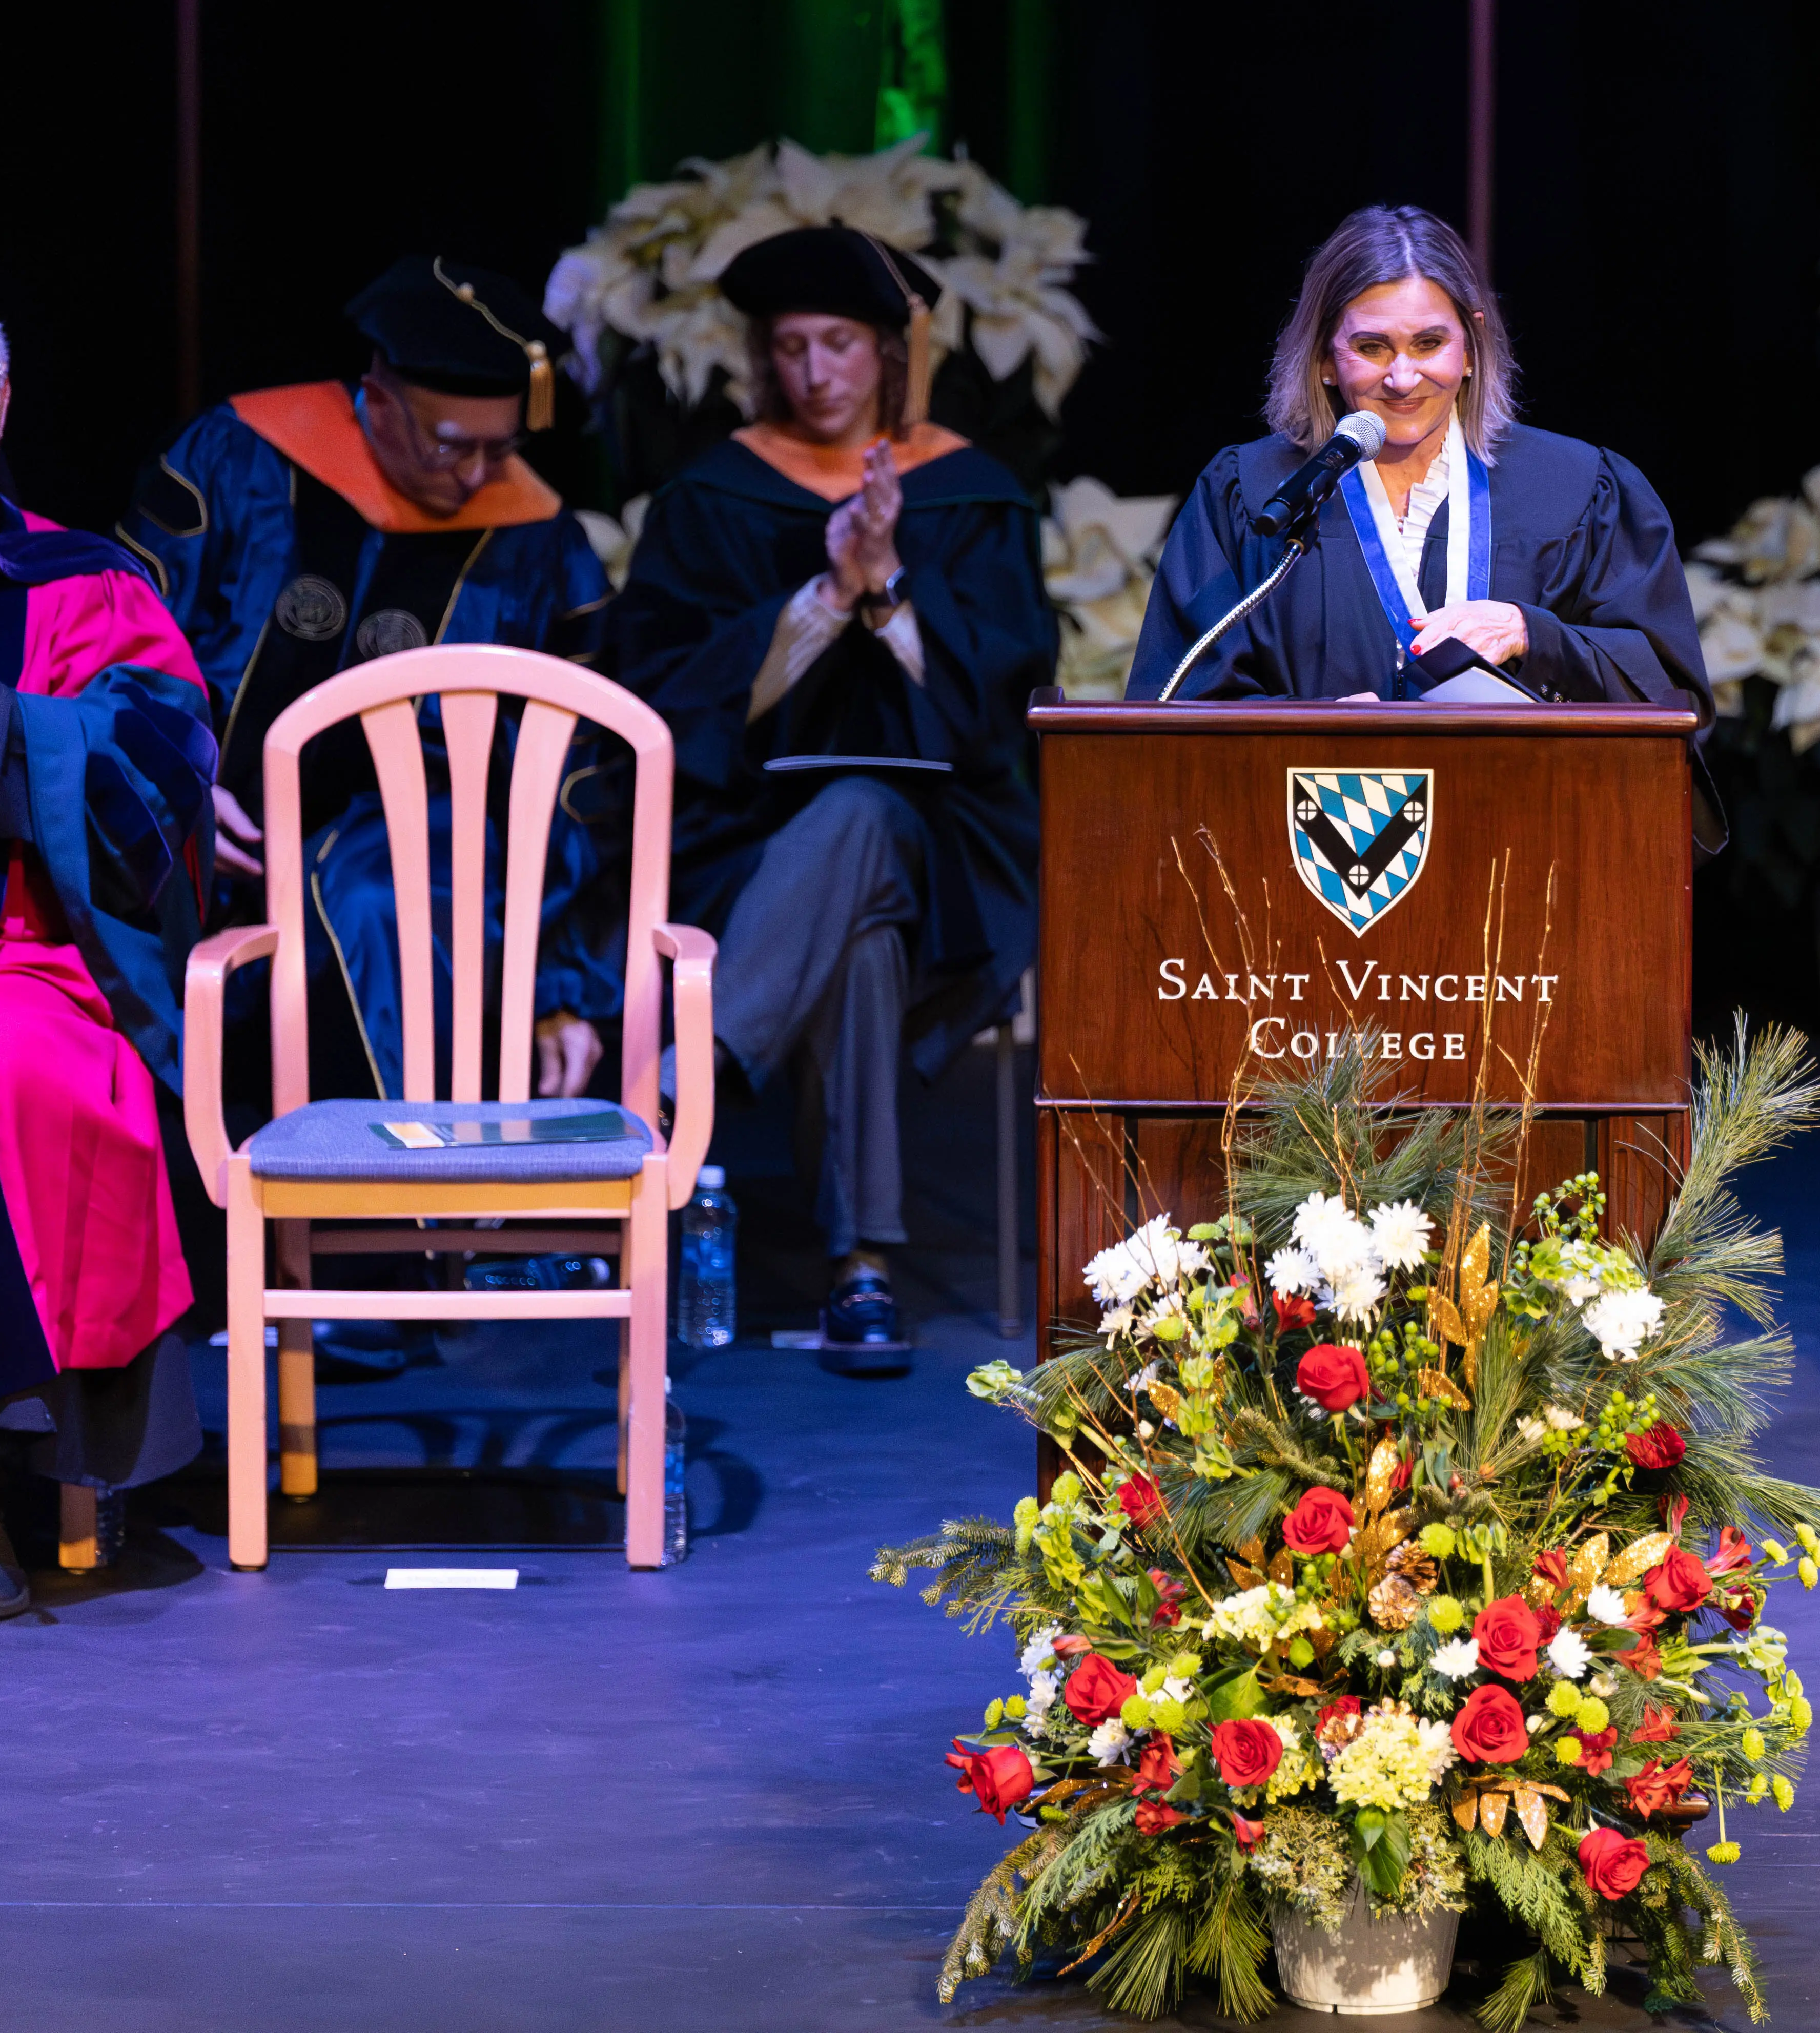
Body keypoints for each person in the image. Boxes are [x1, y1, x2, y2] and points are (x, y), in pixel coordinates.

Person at [120, 257, 616, 1372]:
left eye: (502, 446)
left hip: (436, 872)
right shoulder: (235, 460)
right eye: (453, 443)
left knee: (377, 896)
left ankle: (403, 1254)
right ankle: (189, 1285)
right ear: (375, 398)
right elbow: (123, 652)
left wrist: (560, 984)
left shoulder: (541, 537)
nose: (481, 470)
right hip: (201, 838)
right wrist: (183, 783)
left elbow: (587, 782)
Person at [607, 224, 1049, 1372]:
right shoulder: (713, 496)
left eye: (841, 344)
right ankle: (863, 1271)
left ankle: (675, 1084)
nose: (816, 372)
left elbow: (1002, 703)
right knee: (862, 942)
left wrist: (891, 584)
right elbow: (659, 688)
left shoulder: (972, 496)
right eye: (792, 346)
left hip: (946, 847)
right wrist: (819, 598)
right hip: (746, 847)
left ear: (889, 357)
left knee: (866, 807)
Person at [0, 273, 215, 1622]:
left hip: (10, 959)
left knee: (14, 1070)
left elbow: (149, 792)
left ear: (8, 402)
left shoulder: (87, 585)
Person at [1128, 204, 1708, 711]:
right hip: (1311, 825)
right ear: (1326, 358)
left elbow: (1668, 697)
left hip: (1525, 825)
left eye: (1429, 343)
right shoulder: (1255, 497)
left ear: (1472, 347)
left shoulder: (1577, 491)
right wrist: (1310, 727)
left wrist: (1534, 633)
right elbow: (1176, 702)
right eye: (1371, 347)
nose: (1403, 378)